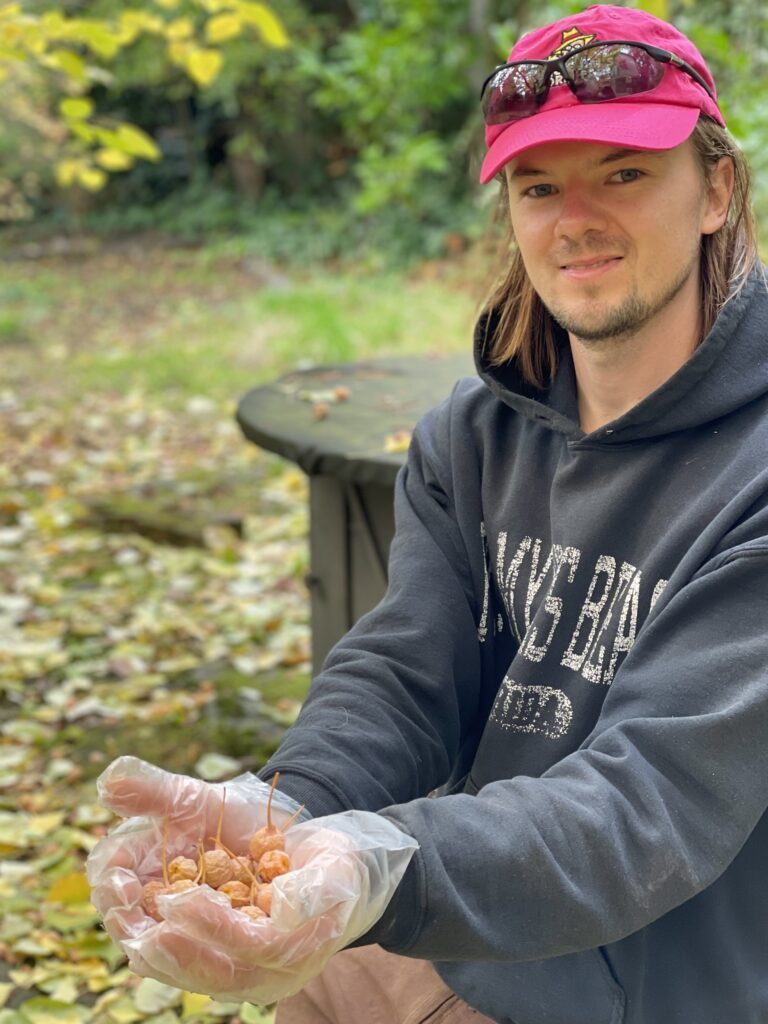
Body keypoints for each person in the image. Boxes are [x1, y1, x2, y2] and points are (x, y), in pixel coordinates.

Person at [91, 5, 768, 1022]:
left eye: (623, 173)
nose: (574, 219)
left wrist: (385, 864)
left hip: (674, 978)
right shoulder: (470, 436)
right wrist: (287, 808)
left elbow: (650, 805)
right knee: (301, 973)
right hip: (483, 924)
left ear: (715, 188)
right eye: (539, 187)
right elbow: (407, 668)